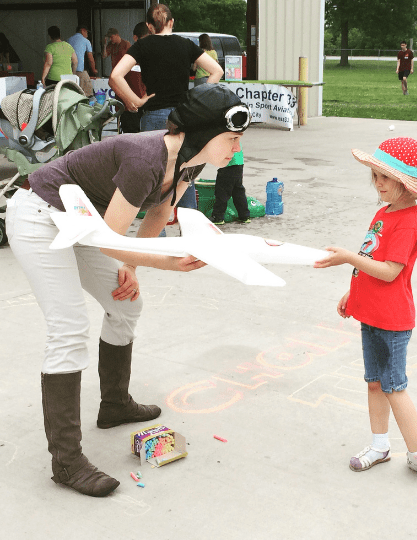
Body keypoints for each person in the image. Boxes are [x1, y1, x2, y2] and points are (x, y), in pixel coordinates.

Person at [5, 84, 250, 497]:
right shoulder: (146, 156)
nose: (237, 148)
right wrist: (168, 262)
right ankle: (66, 462)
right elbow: (109, 240)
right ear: (205, 133)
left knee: (128, 304)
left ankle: (114, 404)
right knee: (69, 327)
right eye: (232, 139)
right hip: (40, 215)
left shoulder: (189, 161)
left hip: (85, 223)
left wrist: (133, 265)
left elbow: (159, 209)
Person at [314, 137, 417, 474]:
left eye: (385, 177)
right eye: (375, 176)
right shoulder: (384, 212)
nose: (377, 183)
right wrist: (352, 292)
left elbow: (389, 272)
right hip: (370, 314)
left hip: (393, 319)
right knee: (374, 383)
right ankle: (379, 445)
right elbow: (371, 258)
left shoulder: (410, 221)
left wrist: (346, 257)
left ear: (405, 183)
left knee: (394, 387)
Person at [110, 3, 223, 221]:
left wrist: (135, 101)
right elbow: (216, 70)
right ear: (172, 22)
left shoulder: (143, 46)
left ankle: (157, 241)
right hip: (183, 117)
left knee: (155, 181)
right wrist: (197, 100)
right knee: (185, 174)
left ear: (149, 26)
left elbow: (116, 76)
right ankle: (191, 238)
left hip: (153, 115)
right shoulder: (186, 44)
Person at [119, 22, 150, 134]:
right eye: (145, 39)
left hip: (149, 109)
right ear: (135, 38)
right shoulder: (127, 58)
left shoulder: (154, 56)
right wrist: (127, 100)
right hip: (130, 108)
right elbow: (114, 80)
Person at [211, 145, 250, 225]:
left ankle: (217, 217)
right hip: (238, 163)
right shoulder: (235, 134)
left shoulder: (225, 135)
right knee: (238, 191)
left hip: (228, 165)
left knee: (222, 192)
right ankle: (245, 216)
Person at [67, 25, 97, 97]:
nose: (87, 35)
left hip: (68, 71)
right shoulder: (86, 41)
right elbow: (91, 58)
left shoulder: (68, 40)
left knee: (72, 93)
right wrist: (94, 70)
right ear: (83, 30)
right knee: (87, 93)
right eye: (86, 32)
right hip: (79, 70)